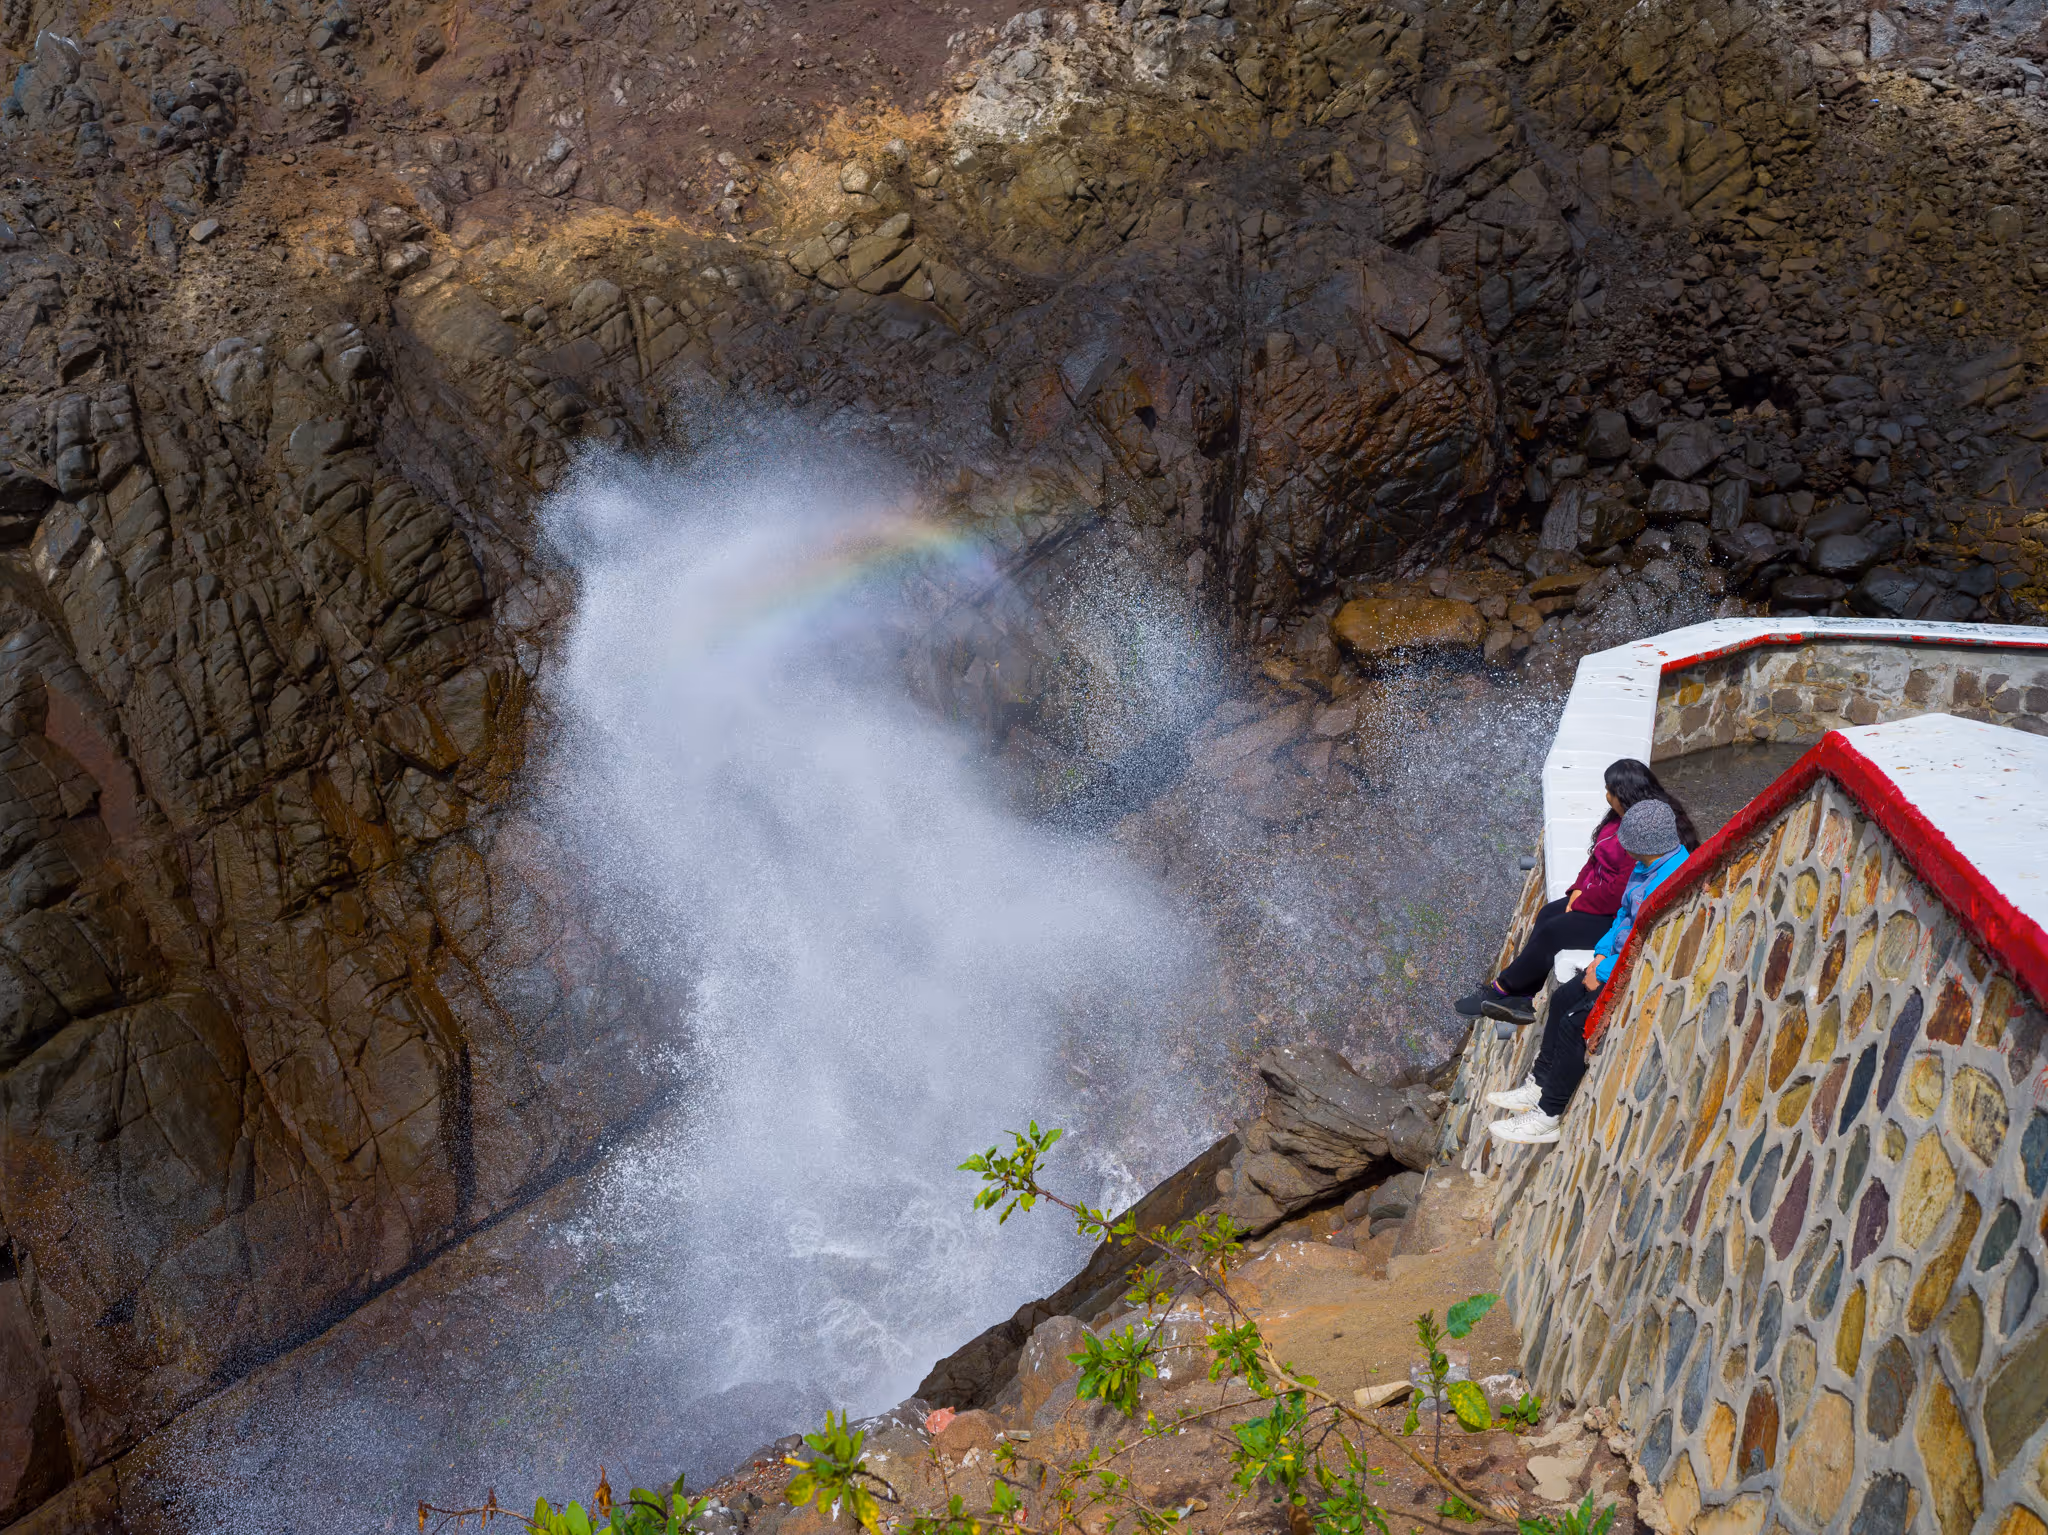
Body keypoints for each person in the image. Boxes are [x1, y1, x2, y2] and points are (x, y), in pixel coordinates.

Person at [1486, 798, 1692, 1145]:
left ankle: (1548, 1115)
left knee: (1575, 1021)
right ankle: (1538, 1084)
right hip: (1612, 960)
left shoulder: (1667, 879)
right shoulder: (1647, 867)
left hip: (1630, 969)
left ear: (1643, 843)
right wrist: (1600, 956)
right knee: (1563, 995)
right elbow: (1622, 921)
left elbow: (1647, 938)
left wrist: (1606, 968)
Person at [1454, 759, 1700, 1026]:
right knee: (1548, 913)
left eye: (1610, 791)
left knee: (1554, 931)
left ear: (1624, 794)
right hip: (1595, 900)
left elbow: (1619, 890)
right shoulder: (1619, 819)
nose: (1606, 796)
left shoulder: (1643, 831)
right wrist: (1577, 890)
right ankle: (1522, 996)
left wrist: (1583, 902)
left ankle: (1499, 989)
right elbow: (1594, 859)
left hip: (1613, 911)